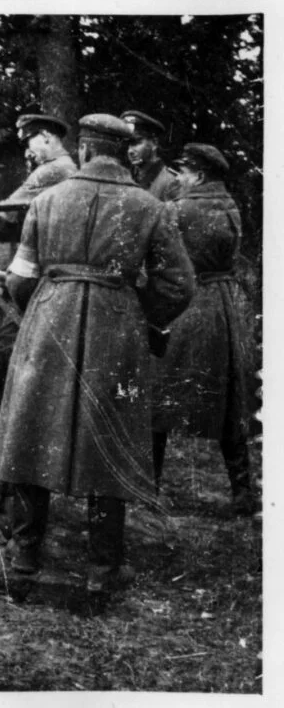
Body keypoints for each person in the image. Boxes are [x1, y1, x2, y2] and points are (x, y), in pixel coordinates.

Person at [0, 113, 195, 594]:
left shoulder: (47, 200)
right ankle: (102, 573)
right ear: (123, 153)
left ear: (82, 150)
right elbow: (180, 284)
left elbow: (19, 278)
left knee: (31, 434)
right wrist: (141, 314)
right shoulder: (148, 207)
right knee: (110, 435)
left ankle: (23, 567)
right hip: (116, 326)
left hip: (48, 320)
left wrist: (39, 308)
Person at [151, 143, 257, 515]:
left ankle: (150, 485)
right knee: (230, 397)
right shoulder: (229, 206)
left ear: (198, 175)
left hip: (187, 305)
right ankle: (243, 490)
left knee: (160, 390)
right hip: (223, 306)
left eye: (183, 173)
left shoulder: (178, 210)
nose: (178, 179)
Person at [0, 113, 78, 437]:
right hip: (49, 271)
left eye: (30, 142)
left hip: (42, 274)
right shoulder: (65, 169)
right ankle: (7, 421)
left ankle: (3, 423)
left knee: (9, 345)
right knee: (13, 344)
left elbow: (6, 211)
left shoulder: (52, 170)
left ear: (47, 138)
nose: (29, 150)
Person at [120, 110, 180, 201]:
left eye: (136, 143)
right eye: (128, 144)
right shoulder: (126, 177)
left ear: (154, 143)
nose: (130, 151)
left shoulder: (170, 183)